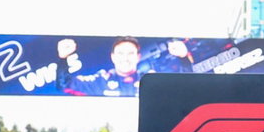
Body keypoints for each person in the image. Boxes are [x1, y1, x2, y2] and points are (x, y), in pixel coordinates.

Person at [56, 36, 190, 97]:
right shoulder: (100, 80)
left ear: (138, 57)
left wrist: (184, 57)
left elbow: (184, 88)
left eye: (130, 53)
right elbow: (64, 86)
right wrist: (63, 59)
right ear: (113, 57)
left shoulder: (151, 81)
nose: (125, 58)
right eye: (120, 53)